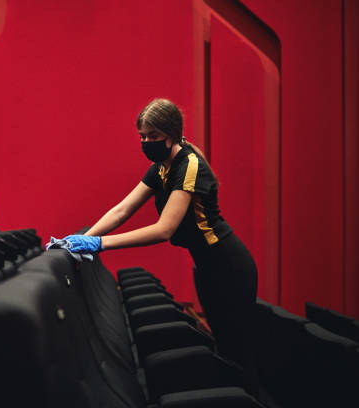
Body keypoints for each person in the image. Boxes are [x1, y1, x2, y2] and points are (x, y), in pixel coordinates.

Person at [61, 98, 259, 395]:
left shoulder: (189, 166)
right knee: (221, 348)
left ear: (172, 134)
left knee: (237, 355)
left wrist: (97, 243)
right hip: (205, 267)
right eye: (142, 136)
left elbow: (164, 229)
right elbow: (121, 210)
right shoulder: (162, 166)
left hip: (229, 267)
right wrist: (79, 239)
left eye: (153, 136)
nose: (146, 142)